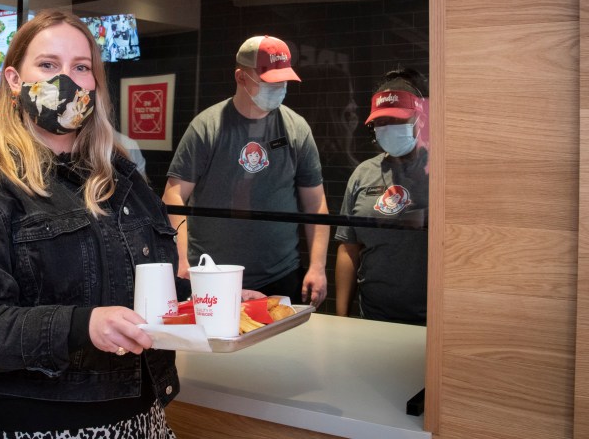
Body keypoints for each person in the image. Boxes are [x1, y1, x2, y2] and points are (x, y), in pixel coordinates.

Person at [0, 10, 180, 439]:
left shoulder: (122, 178)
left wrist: (215, 301)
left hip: (141, 417)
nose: (66, 80)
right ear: (13, 80)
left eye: (81, 68)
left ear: (94, 84)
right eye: (48, 65)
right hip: (36, 426)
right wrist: (82, 325)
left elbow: (142, 287)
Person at [162, 35, 329, 307]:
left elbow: (316, 202)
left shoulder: (296, 128)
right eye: (268, 81)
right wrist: (181, 260)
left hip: (280, 273)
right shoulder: (207, 127)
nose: (278, 88)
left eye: (282, 81)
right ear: (241, 77)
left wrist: (318, 266)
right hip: (212, 273)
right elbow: (174, 196)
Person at [334, 68, 429, 325]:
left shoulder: (440, 173)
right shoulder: (363, 174)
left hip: (432, 320)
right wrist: (341, 318)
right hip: (374, 317)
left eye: (396, 121)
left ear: (418, 120)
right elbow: (349, 247)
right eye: (380, 122)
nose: (386, 129)